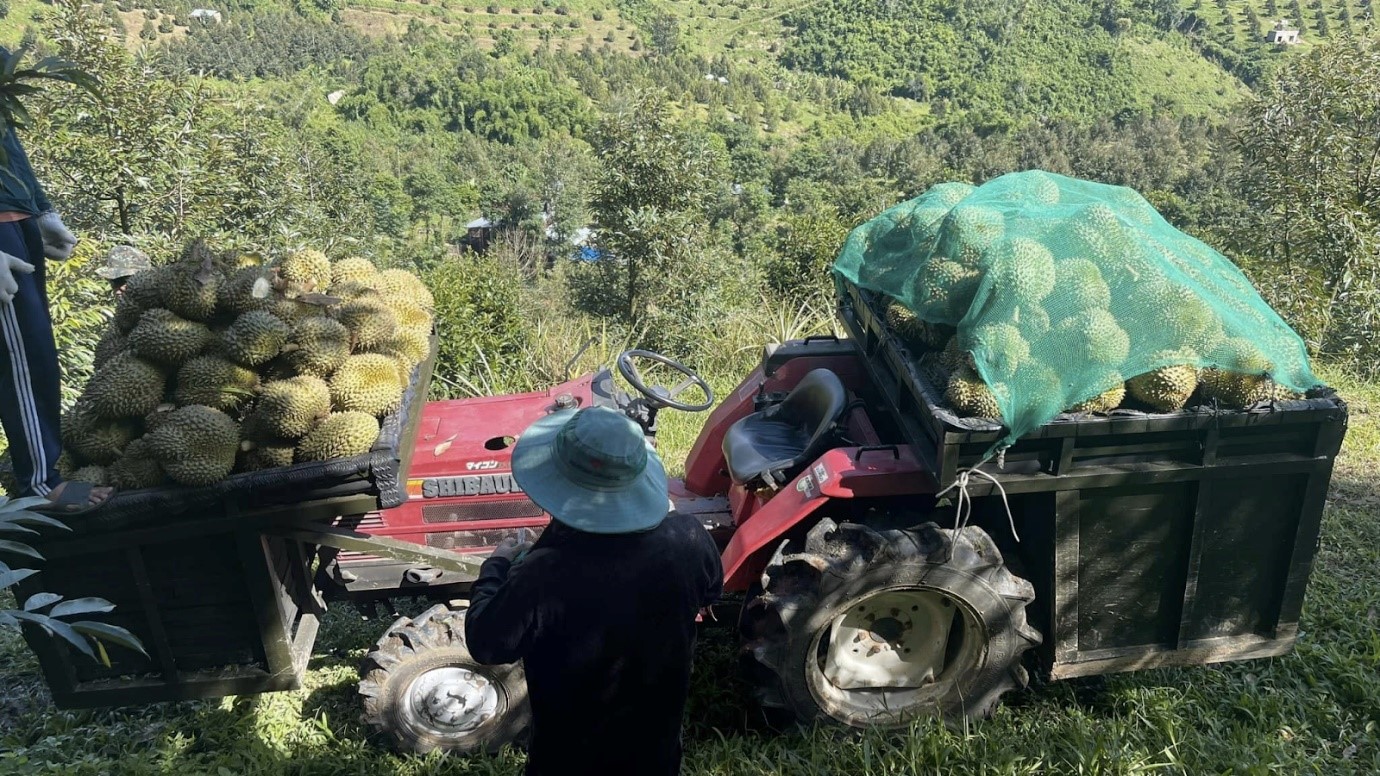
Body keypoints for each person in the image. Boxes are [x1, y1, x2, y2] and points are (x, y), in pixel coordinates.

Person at [465, 406, 723, 776]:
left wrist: (496, 566)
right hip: (656, 756)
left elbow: (487, 643)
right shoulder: (690, 538)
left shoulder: (542, 574)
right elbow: (710, 593)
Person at [0, 102, 111, 514]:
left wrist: (40, 206)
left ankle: (44, 474)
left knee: (37, 353)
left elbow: (4, 136)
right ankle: (40, 482)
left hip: (16, 216)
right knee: (19, 359)